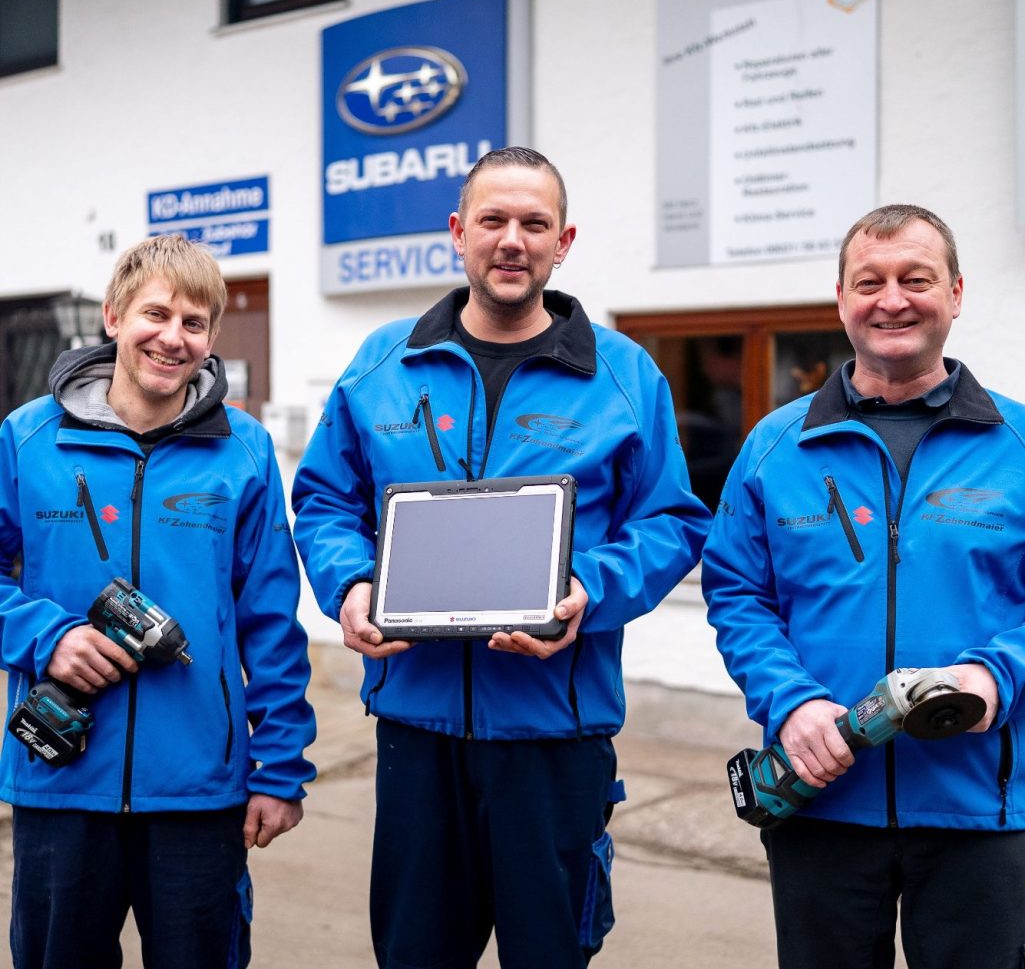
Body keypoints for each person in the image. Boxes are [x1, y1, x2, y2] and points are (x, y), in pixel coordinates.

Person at [292, 146, 709, 968]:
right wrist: (348, 586)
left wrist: (591, 589)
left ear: (564, 241)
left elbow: (670, 521)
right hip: (418, 728)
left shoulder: (623, 374)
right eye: (493, 220)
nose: (511, 239)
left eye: (533, 223)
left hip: (556, 734)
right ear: (457, 232)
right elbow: (326, 500)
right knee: (415, 953)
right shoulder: (383, 362)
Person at [702, 204, 1025, 969]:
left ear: (953, 292)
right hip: (820, 797)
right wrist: (791, 700)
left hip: (981, 804)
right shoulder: (774, 446)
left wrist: (994, 671)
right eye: (868, 281)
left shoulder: (1016, 444)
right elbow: (736, 592)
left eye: (914, 279)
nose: (891, 299)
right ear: (840, 298)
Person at [0, 234, 317, 969]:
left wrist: (279, 766)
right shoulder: (27, 438)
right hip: (61, 782)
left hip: (199, 790)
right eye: (156, 314)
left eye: (196, 322)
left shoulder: (243, 449)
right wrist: (47, 638)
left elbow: (270, 617)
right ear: (113, 316)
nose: (173, 337)